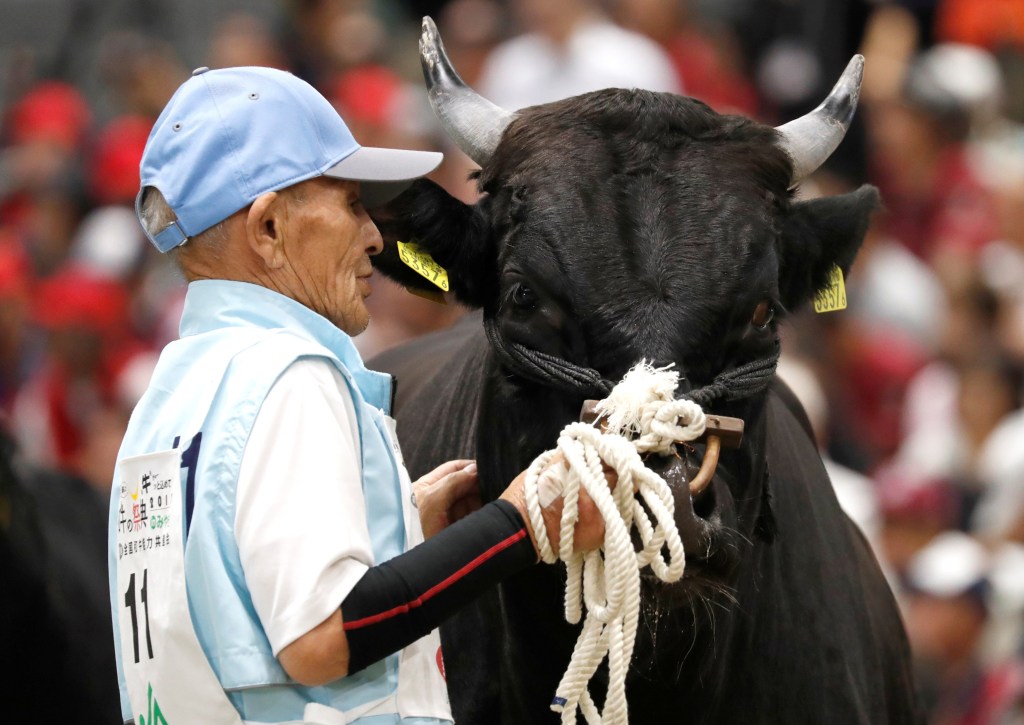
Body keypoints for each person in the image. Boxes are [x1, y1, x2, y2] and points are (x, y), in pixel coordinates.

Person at [108, 66, 608, 725]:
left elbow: (246, 614)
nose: (375, 235)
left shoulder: (168, 396)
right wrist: (515, 524)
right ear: (268, 229)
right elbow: (318, 639)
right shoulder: (289, 376)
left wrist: (402, 530)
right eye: (350, 203)